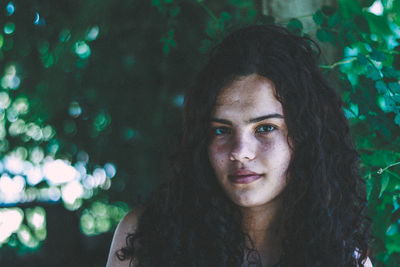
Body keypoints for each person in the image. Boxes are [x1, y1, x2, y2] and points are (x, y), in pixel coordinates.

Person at [106, 24, 373, 267]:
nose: (240, 151)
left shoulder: (344, 258)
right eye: (221, 130)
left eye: (265, 128)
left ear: (306, 138)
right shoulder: (144, 237)